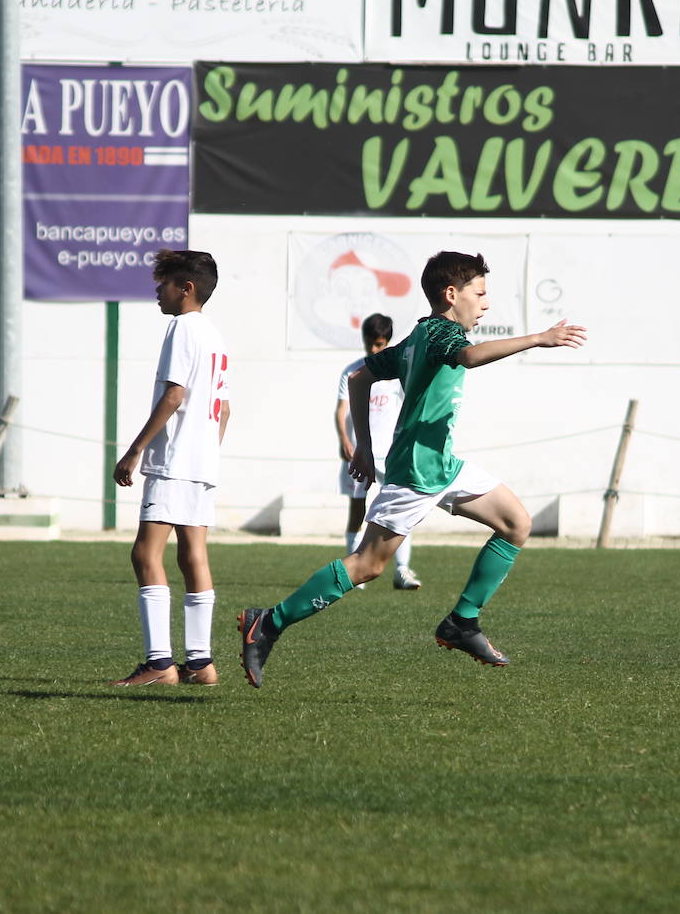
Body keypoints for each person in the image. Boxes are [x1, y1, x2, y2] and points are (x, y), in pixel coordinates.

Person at [239, 251, 587, 688]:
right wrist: (538, 338)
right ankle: (268, 622)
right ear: (450, 294)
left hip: (441, 463)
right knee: (367, 566)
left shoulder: (419, 334)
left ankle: (462, 622)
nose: (485, 303)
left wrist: (365, 447)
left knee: (516, 523)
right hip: (417, 472)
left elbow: (359, 378)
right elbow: (471, 357)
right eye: (479, 293)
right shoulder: (441, 332)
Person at [110, 249, 230, 687]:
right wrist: (206, 452)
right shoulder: (216, 336)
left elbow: (174, 395)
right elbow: (226, 408)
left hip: (175, 460)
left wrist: (135, 450)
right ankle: (200, 664)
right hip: (202, 463)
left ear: (187, 288)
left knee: (145, 553)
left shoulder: (182, 328)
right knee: (192, 554)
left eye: (163, 284)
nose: (157, 292)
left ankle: (160, 664)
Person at [335, 312, 421, 591]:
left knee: (400, 509)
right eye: (370, 344)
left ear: (388, 342)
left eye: (380, 345)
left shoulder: (397, 374)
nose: (374, 350)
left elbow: (410, 408)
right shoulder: (353, 371)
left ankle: (402, 570)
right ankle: (352, 568)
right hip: (361, 452)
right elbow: (341, 410)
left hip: (391, 453)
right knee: (357, 507)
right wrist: (345, 439)